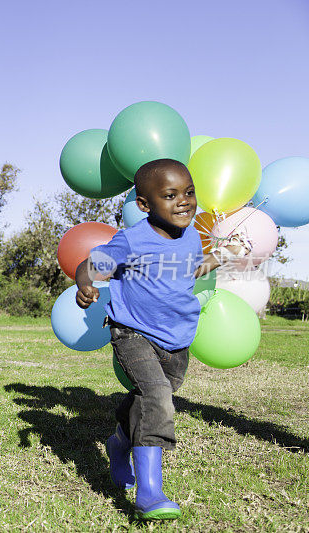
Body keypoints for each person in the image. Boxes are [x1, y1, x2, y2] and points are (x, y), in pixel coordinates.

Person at [74, 158, 246, 520]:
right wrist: (86, 284)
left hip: (177, 339)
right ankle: (149, 491)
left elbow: (191, 269)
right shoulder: (132, 240)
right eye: (170, 195)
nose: (184, 201)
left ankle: (119, 443)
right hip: (132, 333)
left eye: (189, 192)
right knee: (157, 396)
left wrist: (222, 255)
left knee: (148, 399)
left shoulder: (191, 237)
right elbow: (90, 265)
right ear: (144, 205)